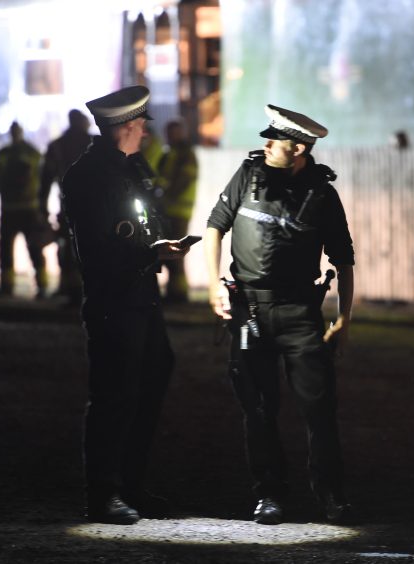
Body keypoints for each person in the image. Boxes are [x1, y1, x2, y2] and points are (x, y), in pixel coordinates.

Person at [205, 104, 356, 525]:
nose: (266, 144)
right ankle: (269, 495)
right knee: (257, 407)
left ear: (300, 149)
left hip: (299, 315)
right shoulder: (247, 177)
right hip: (249, 311)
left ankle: (331, 495)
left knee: (319, 408)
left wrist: (345, 318)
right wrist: (212, 284)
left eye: (277, 140)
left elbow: (343, 259)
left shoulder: (322, 195)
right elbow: (215, 226)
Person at [60, 85, 190, 525]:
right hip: (114, 297)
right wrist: (153, 251)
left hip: (141, 296)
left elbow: (150, 217)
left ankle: (130, 484)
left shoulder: (132, 166)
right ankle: (103, 493)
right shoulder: (88, 175)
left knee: (150, 379)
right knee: (114, 394)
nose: (146, 136)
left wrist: (160, 243)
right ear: (127, 127)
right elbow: (101, 246)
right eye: (141, 128)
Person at [40, 109, 92, 306]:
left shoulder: (57, 146)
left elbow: (45, 180)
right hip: (95, 208)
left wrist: (42, 207)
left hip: (69, 207)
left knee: (69, 251)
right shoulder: (95, 143)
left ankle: (72, 292)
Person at [0, 121, 49, 298]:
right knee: (24, 249)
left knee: (14, 248)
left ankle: (10, 286)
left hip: (17, 207)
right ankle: (37, 285)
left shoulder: (5, 153)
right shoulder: (31, 152)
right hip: (23, 207)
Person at [155, 119, 197, 303]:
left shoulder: (186, 154)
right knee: (168, 252)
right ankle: (173, 291)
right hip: (166, 209)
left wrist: (166, 193)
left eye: (174, 132)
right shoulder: (168, 153)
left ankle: (179, 293)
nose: (171, 136)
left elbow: (184, 180)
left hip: (179, 210)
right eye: (169, 132)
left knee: (177, 252)